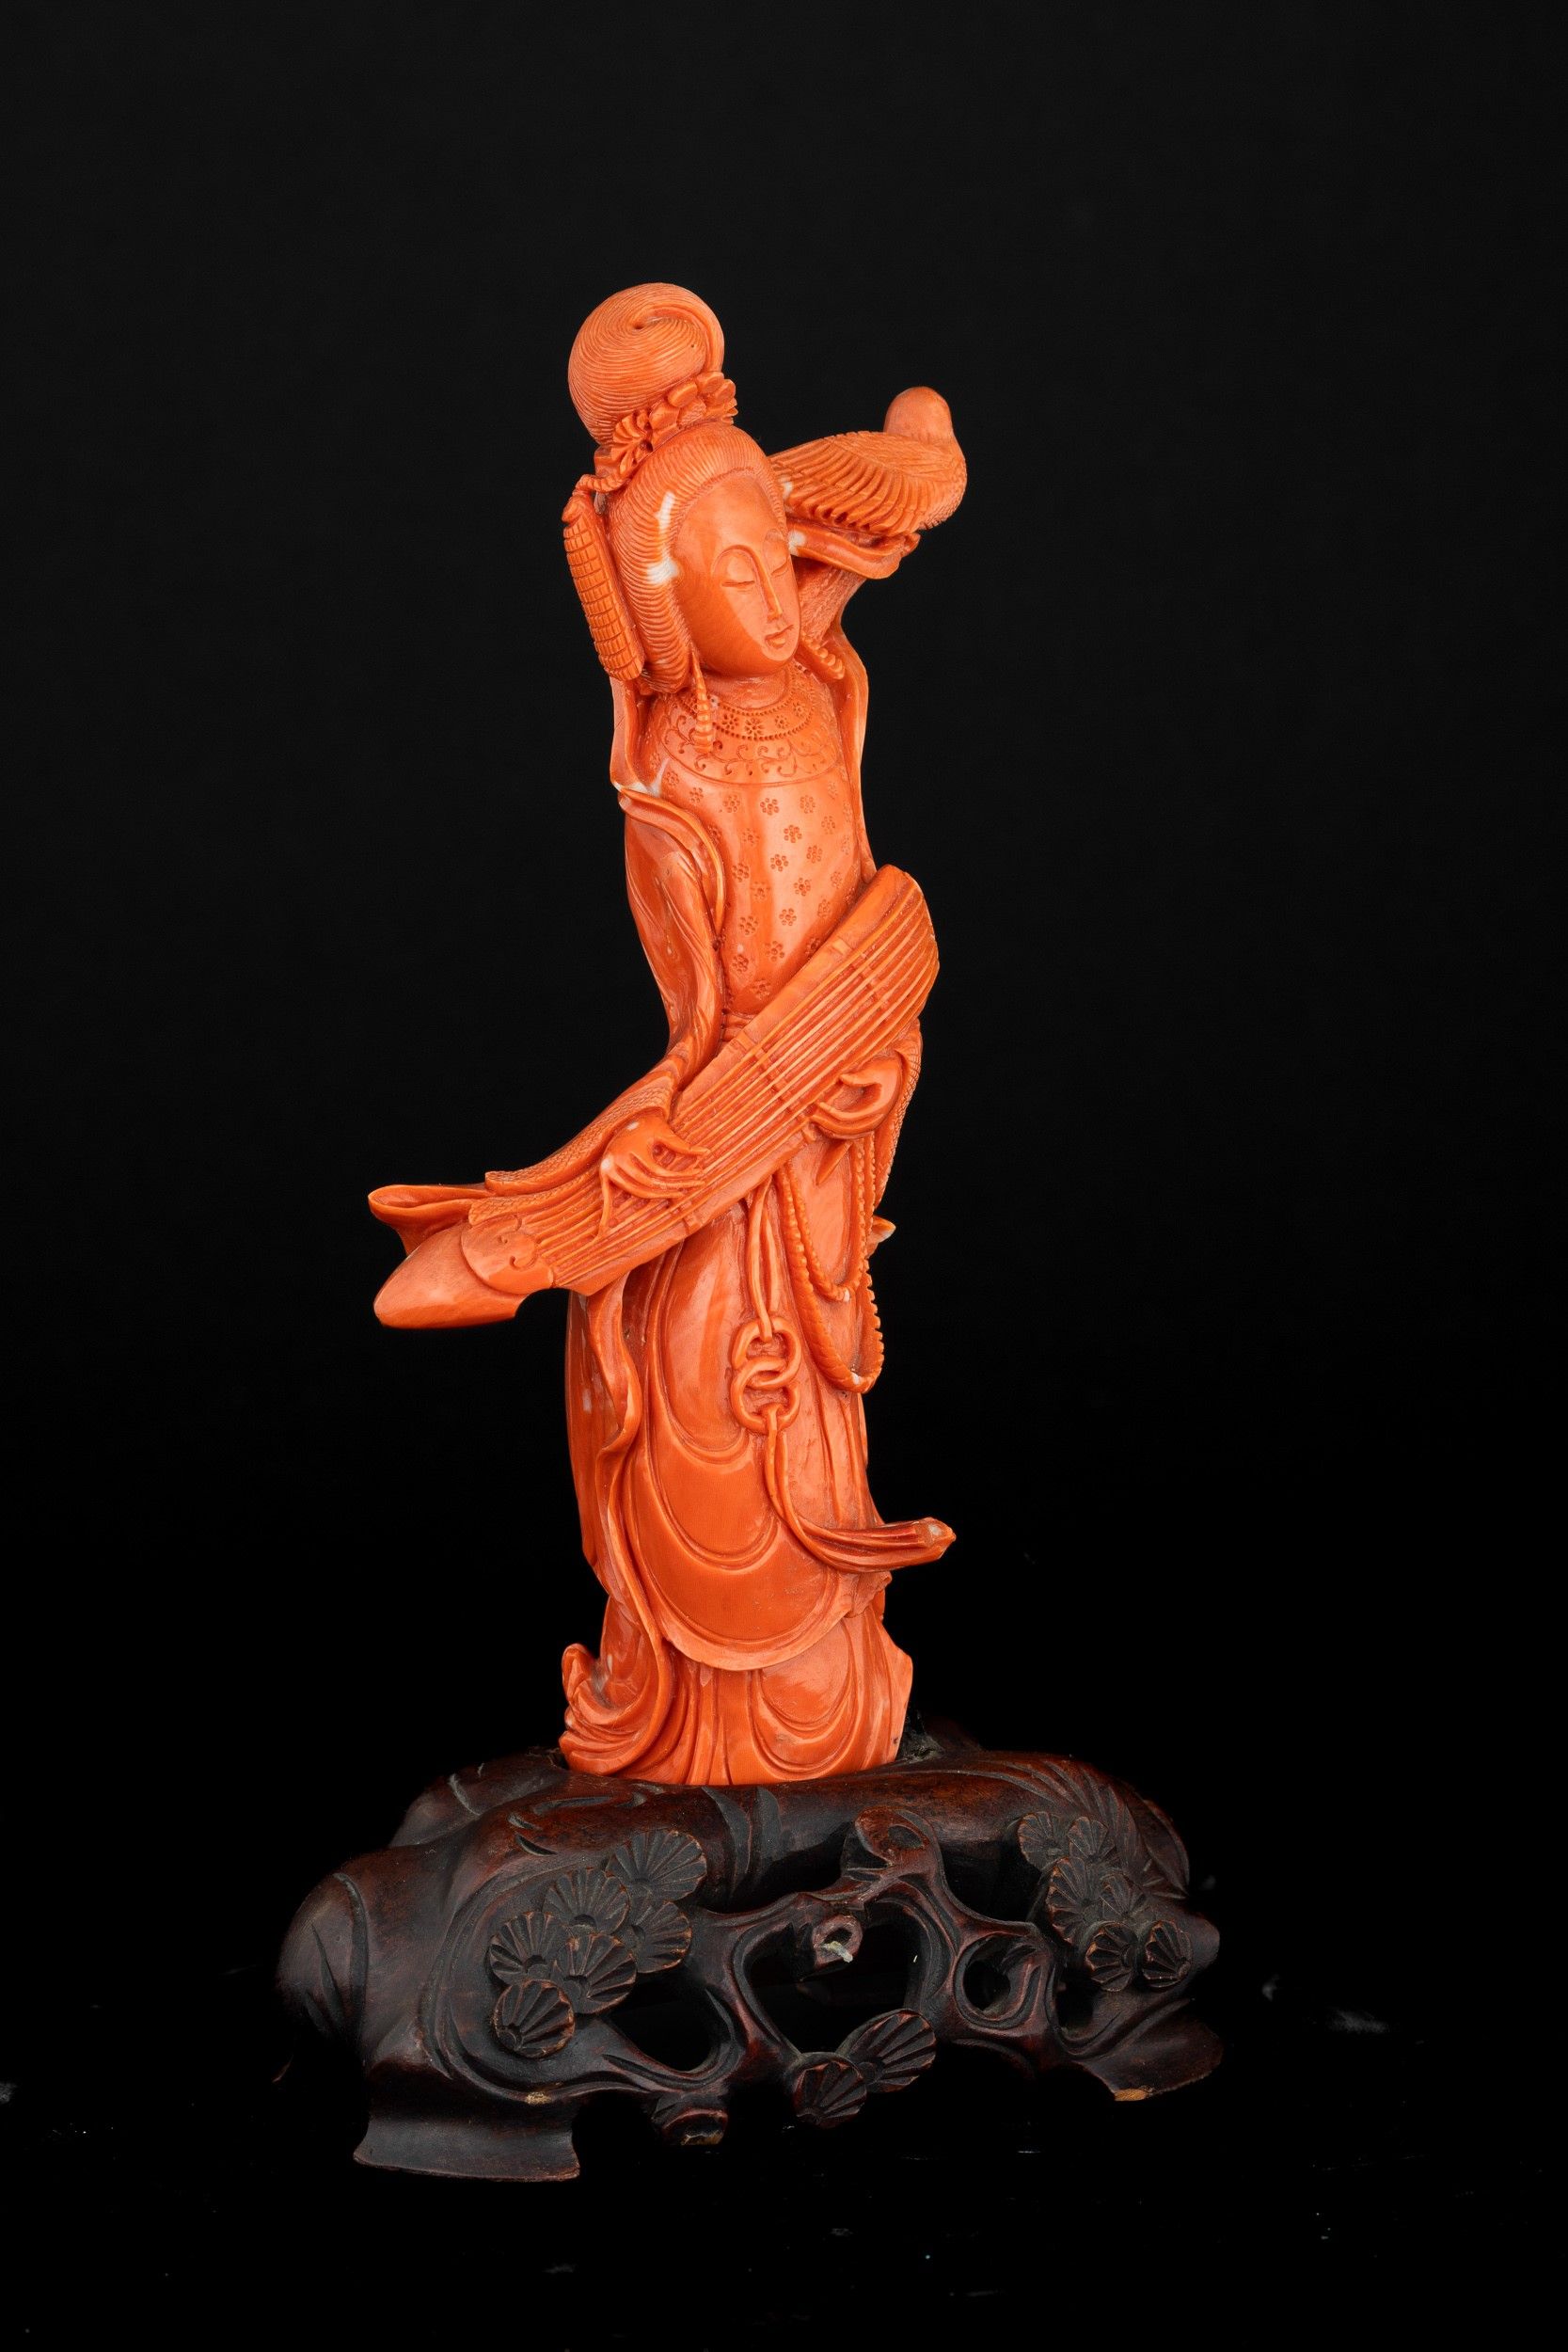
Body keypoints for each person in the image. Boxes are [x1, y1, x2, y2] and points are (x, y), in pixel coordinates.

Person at [372, 283, 967, 1784]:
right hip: (737, 1119)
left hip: (817, 1134)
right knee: (699, 1387)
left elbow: (895, 502)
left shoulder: (804, 667)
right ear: (658, 611)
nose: (766, 600)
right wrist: (631, 1175)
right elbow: (713, 1023)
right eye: (725, 579)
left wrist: (912, 455)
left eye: (774, 558)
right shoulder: (678, 763)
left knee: (804, 1398)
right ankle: (690, 1718)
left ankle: (814, 1717)